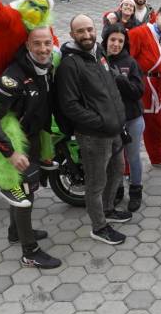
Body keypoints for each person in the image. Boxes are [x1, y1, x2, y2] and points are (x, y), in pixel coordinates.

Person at [0, 27, 61, 267]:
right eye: (37, 43)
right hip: (17, 144)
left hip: (34, 137)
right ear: (27, 45)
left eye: (47, 43)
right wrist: (10, 152)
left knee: (28, 189)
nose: (43, 49)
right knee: (24, 194)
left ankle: (16, 232)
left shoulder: (46, 67)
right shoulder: (13, 78)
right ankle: (30, 252)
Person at [56, 15, 131, 244]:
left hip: (114, 129)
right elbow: (69, 105)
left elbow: (110, 89)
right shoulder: (69, 64)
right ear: (72, 35)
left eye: (89, 29)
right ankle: (99, 227)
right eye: (80, 31)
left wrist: (117, 119)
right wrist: (100, 121)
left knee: (117, 171)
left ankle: (108, 209)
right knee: (96, 183)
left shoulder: (99, 53)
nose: (86, 35)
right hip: (94, 135)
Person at [128, 6, 161, 170]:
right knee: (131, 128)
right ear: (156, 17)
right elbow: (126, 60)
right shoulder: (139, 33)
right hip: (137, 87)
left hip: (155, 89)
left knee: (155, 126)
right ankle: (126, 168)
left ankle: (157, 157)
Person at [103, 24, 145, 212]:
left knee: (132, 156)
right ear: (106, 40)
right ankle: (117, 189)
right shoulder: (99, 60)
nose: (116, 44)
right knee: (115, 159)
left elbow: (138, 91)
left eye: (120, 41)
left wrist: (121, 79)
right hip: (111, 121)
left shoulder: (130, 62)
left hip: (132, 119)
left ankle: (136, 191)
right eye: (112, 39)